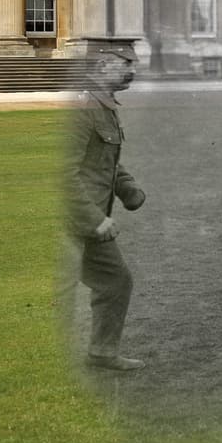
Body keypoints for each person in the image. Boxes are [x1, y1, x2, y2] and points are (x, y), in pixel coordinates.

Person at [60, 43, 148, 371]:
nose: (132, 71)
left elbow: (104, 162)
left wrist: (129, 190)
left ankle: (102, 352)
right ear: (99, 67)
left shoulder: (104, 105)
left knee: (115, 281)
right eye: (124, 65)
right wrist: (95, 219)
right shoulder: (81, 107)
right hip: (71, 222)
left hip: (91, 221)